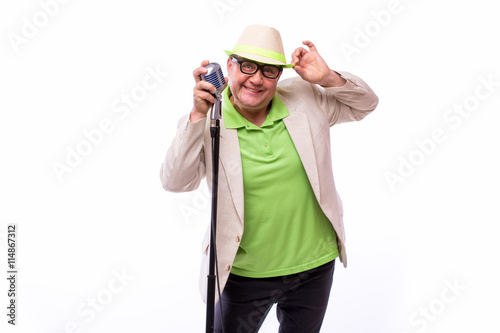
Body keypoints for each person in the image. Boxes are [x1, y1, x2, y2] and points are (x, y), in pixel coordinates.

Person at [160, 24, 378, 333]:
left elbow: (366, 104)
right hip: (244, 274)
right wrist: (197, 115)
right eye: (247, 66)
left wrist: (328, 78)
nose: (257, 79)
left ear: (279, 75)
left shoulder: (304, 97)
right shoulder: (210, 120)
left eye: (269, 70)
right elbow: (175, 182)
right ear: (229, 67)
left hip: (313, 267)